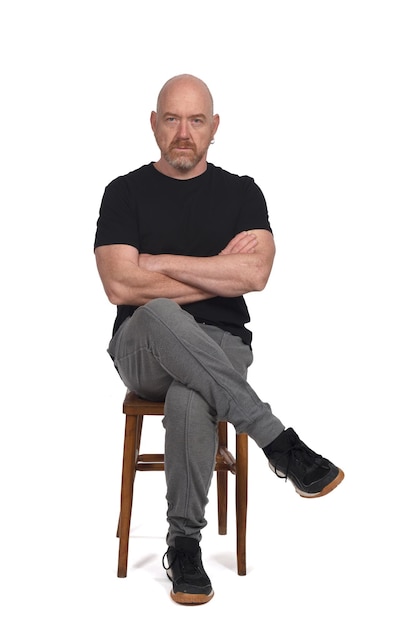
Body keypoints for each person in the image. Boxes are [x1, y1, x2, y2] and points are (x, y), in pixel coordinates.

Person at [94, 74, 344, 605]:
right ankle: (281, 443)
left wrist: (158, 262)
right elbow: (120, 284)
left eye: (196, 120)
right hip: (143, 346)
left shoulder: (242, 191)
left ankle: (183, 544)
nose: (183, 132)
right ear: (154, 124)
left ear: (215, 127)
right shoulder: (124, 192)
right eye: (172, 118)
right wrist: (214, 270)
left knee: (192, 394)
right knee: (159, 312)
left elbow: (254, 275)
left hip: (223, 343)